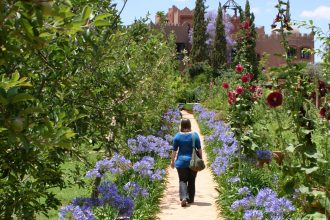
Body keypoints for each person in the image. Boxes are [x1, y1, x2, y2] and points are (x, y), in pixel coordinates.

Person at [170, 118, 203, 207]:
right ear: (189, 125)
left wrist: (172, 161)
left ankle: (184, 197)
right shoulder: (194, 135)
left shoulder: (177, 136)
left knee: (182, 180)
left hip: (180, 163)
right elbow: (199, 149)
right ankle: (190, 199)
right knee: (192, 180)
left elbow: (174, 151)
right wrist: (201, 159)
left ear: (181, 125)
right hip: (192, 162)